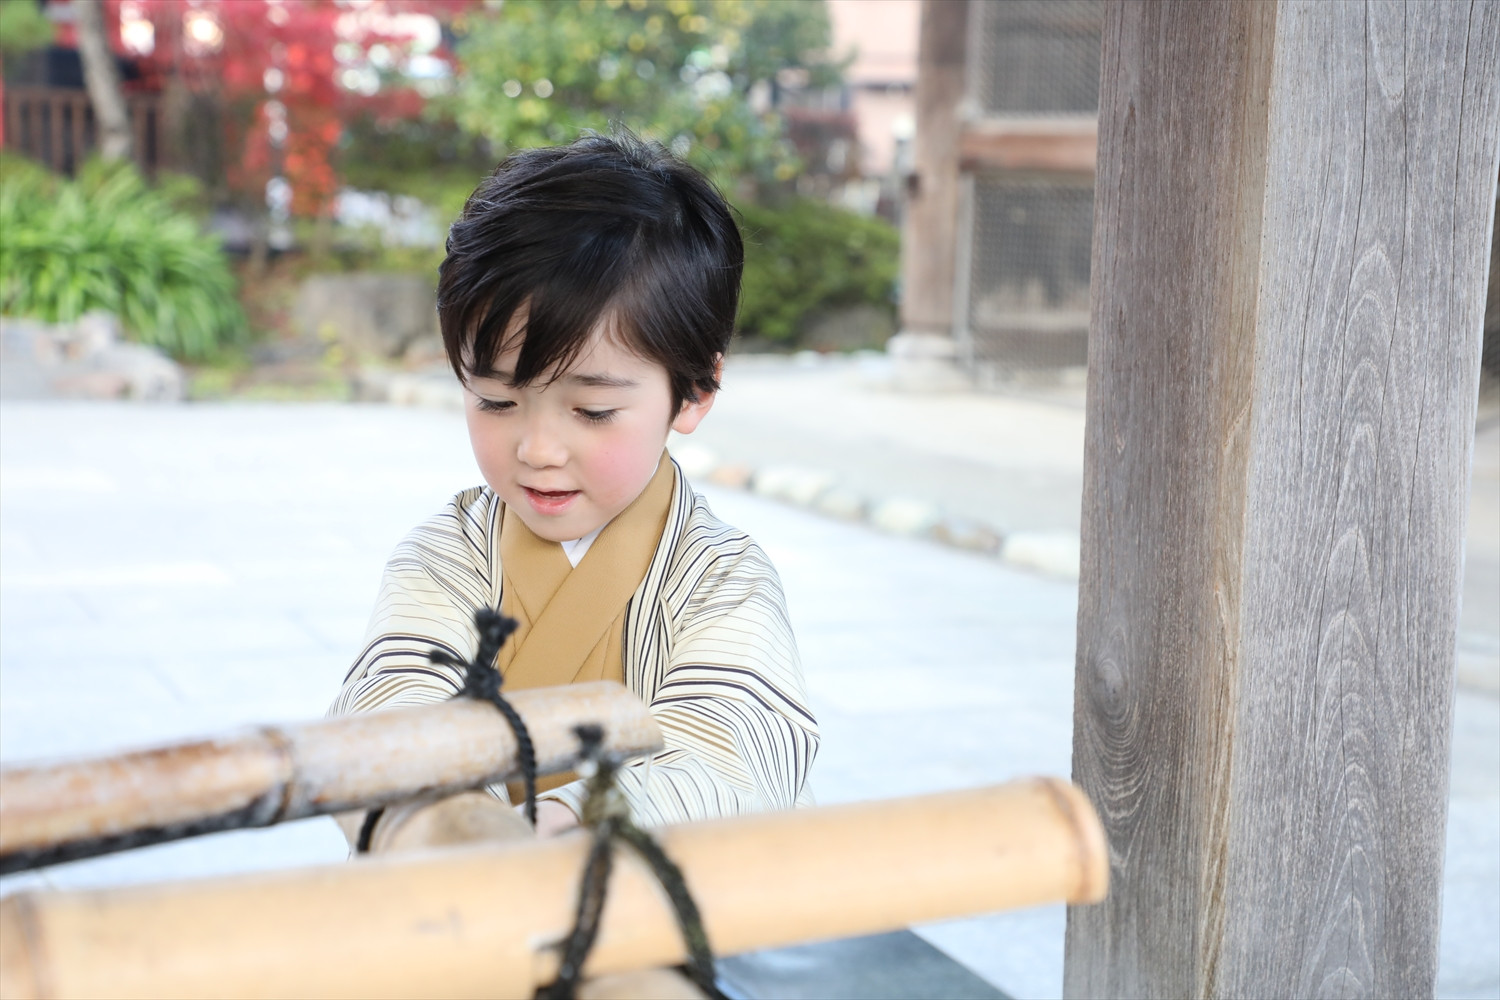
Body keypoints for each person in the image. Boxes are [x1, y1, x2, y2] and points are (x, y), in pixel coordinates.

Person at [330, 131, 818, 851]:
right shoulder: (445, 558)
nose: (537, 449)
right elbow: (389, 711)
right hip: (459, 897)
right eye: (496, 401)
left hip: (645, 914)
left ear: (696, 389)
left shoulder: (720, 582)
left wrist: (575, 826)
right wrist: (464, 829)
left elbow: (735, 752)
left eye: (591, 411)